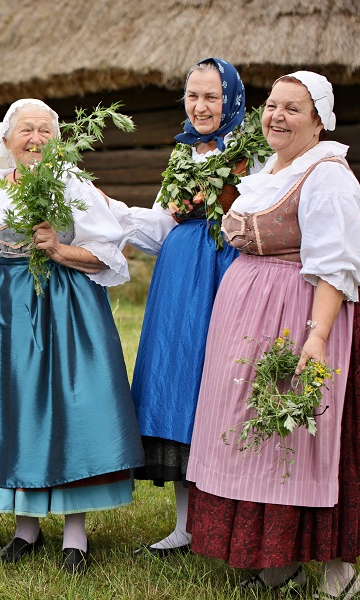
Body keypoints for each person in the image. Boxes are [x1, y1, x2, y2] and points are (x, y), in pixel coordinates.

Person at [186, 72, 360, 599]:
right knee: (259, 435)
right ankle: (276, 561)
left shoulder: (327, 175)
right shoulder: (270, 170)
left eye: (293, 109)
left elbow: (336, 267)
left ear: (319, 121)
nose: (277, 116)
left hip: (303, 317)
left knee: (305, 434)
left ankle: (341, 571)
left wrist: (316, 339)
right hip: (249, 318)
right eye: (272, 105)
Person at [0, 99, 146, 575]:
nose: (35, 139)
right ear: (5, 139)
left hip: (65, 302)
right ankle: (25, 528)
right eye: (26, 130)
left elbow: (110, 254)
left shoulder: (72, 184)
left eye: (45, 130)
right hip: (10, 306)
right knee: (20, 407)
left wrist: (60, 248)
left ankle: (75, 534)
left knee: (71, 407)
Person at [128, 58, 261, 556]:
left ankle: (226, 519)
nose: (201, 107)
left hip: (225, 273)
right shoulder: (183, 156)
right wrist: (108, 214)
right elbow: (160, 228)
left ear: (231, 99)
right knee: (181, 383)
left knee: (220, 383)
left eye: (212, 97)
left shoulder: (253, 154)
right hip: (179, 280)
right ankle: (185, 525)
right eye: (193, 97)